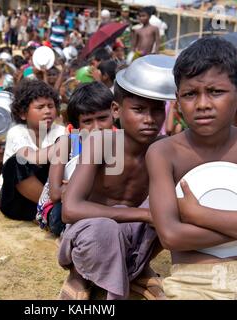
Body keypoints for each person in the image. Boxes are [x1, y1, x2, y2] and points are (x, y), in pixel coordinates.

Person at [146, 37, 237, 300]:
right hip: (192, 281)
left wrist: (199, 214)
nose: (202, 104)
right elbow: (171, 236)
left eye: (215, 91)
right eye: (190, 94)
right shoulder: (163, 153)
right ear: (177, 100)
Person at [58, 55, 175, 300]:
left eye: (157, 110)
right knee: (105, 229)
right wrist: (143, 214)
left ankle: (139, 268)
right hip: (93, 234)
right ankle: (79, 275)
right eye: (139, 110)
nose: (149, 119)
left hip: (134, 236)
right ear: (116, 110)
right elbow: (70, 209)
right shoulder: (100, 143)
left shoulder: (164, 149)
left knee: (170, 202)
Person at [36, 82, 115, 236]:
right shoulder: (67, 144)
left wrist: (72, 187)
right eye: (88, 121)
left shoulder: (117, 144)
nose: (97, 127)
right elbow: (55, 194)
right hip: (59, 209)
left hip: (91, 203)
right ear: (77, 125)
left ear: (114, 113)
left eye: (102, 118)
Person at [0, 79, 65, 220]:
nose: (47, 111)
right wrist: (61, 146)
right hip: (18, 202)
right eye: (40, 107)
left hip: (50, 192)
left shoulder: (60, 131)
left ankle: (52, 211)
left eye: (51, 106)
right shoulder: (17, 131)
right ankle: (50, 211)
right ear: (23, 114)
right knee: (16, 163)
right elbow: (30, 157)